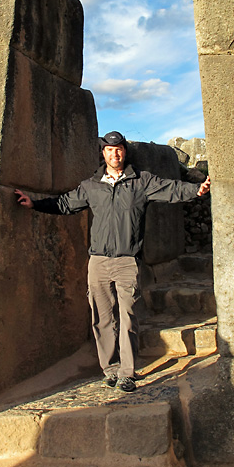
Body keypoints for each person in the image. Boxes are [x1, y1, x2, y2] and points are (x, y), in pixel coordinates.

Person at [15, 131, 211, 393]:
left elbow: (170, 188)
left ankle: (128, 373)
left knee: (128, 316)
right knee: (102, 317)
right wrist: (34, 204)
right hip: (98, 262)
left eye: (118, 149)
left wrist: (196, 189)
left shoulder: (140, 182)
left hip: (127, 261)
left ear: (124, 152)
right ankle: (110, 369)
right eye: (109, 150)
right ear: (103, 153)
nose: (114, 154)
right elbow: (65, 203)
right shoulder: (91, 186)